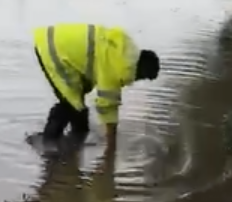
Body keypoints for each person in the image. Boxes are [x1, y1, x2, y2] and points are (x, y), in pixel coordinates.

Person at [33, 23, 160, 152]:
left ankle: (75, 143)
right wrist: (111, 148)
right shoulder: (117, 68)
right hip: (53, 50)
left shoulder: (122, 52)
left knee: (78, 107)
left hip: (56, 42)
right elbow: (107, 107)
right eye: (141, 78)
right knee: (70, 103)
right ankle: (47, 147)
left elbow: (92, 69)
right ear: (140, 72)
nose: (136, 81)